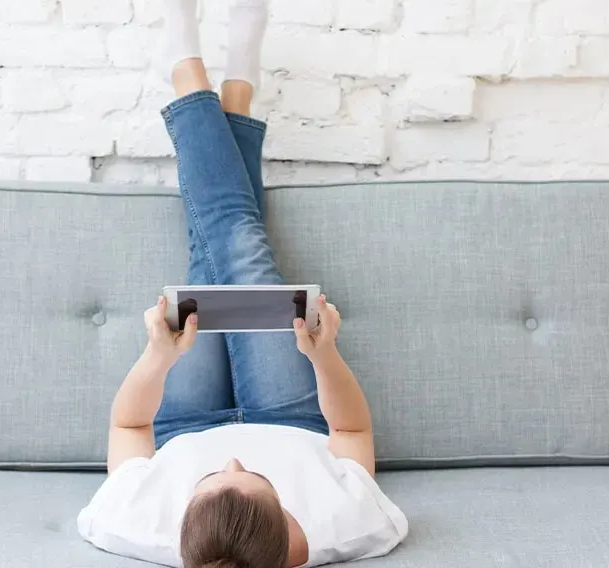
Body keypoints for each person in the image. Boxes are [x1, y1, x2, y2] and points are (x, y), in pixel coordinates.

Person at [77, 1, 408, 566]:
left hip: (185, 422)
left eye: (210, 480)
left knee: (214, 261)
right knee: (241, 254)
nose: (233, 462)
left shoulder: (132, 523)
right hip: (290, 416)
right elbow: (352, 430)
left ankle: (216, 86)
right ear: (289, 526)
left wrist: (157, 357)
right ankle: (201, 81)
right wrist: (323, 356)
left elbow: (129, 424)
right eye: (256, 480)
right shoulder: (350, 525)